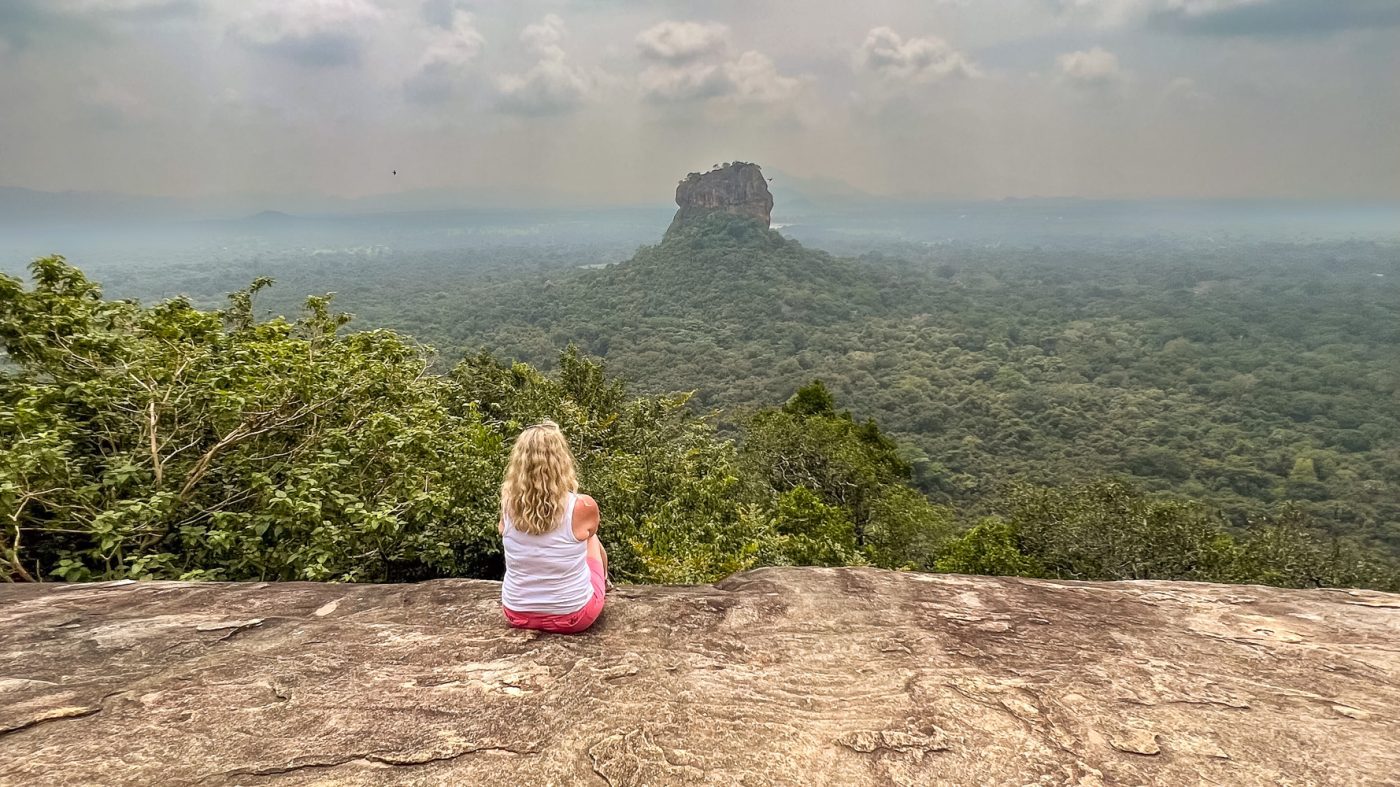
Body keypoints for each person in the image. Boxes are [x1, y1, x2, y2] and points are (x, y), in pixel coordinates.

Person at [498, 421, 607, 634]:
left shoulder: (508, 504)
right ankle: (605, 582)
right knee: (589, 538)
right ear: (561, 461)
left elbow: (504, 531)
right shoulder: (582, 506)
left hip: (517, 614)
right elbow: (590, 533)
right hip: (574, 617)